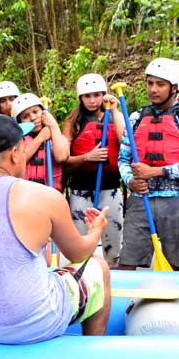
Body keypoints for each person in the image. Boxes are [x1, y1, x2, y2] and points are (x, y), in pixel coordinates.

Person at [0, 115, 111, 344]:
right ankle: (93, 354)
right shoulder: (44, 196)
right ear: (14, 154)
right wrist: (96, 230)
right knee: (98, 266)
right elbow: (79, 254)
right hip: (33, 324)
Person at [117, 57, 179, 271]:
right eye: (150, 83)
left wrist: (155, 171)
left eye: (160, 84)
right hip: (141, 199)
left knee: (175, 265)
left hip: (178, 202)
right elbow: (123, 159)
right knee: (128, 262)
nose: (153, 89)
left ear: (174, 88)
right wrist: (130, 181)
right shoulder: (136, 117)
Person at [62, 73, 125, 267]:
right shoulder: (73, 122)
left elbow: (125, 140)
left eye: (97, 95)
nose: (92, 100)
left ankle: (112, 273)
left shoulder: (114, 117)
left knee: (113, 245)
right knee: (80, 243)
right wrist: (87, 157)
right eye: (87, 96)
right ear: (80, 98)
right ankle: (84, 275)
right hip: (81, 190)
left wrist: (114, 110)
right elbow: (64, 159)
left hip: (111, 189)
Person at [11, 93, 69, 191]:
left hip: (52, 194)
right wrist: (40, 138)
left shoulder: (56, 134)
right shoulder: (17, 140)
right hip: (27, 194)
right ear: (20, 122)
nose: (33, 118)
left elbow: (62, 157)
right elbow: (19, 161)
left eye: (36, 112)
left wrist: (53, 125)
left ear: (43, 112)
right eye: (26, 116)